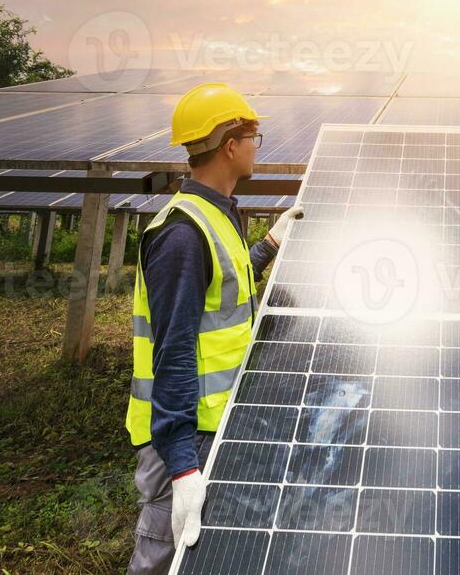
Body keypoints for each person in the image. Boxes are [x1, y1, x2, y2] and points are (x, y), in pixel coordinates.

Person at [125, 82, 303, 575]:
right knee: (165, 556)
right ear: (231, 146)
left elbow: (220, 290)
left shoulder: (215, 215)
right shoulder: (182, 232)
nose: (255, 146)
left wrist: (268, 244)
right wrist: (182, 465)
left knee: (205, 557)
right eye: (253, 137)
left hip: (213, 422)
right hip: (183, 436)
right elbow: (174, 351)